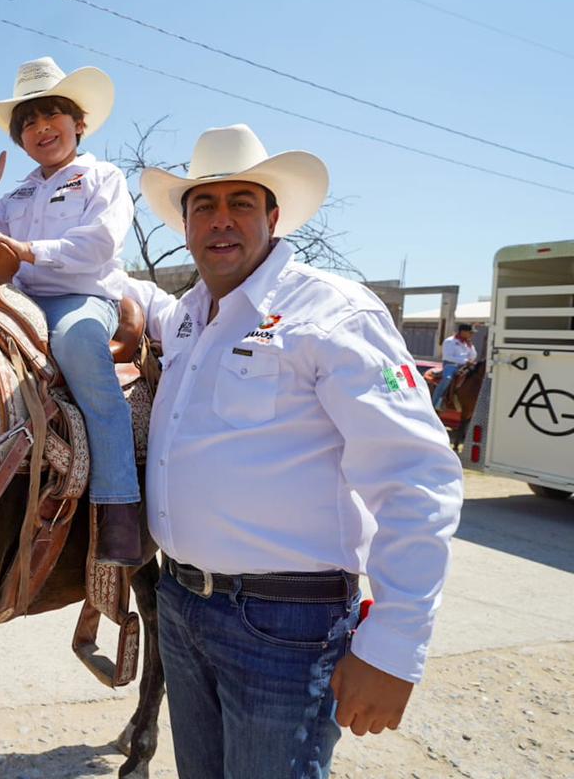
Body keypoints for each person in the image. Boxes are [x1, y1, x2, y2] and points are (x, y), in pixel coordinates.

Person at [125, 123, 464, 778]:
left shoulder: (332, 312)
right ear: (186, 224)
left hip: (285, 627)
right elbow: (136, 295)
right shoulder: (194, 315)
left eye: (240, 203)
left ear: (273, 217)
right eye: (204, 205)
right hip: (183, 606)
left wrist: (394, 644)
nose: (220, 220)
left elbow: (415, 475)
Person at [0, 56, 143, 566]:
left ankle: (119, 510)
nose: (41, 129)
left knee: (81, 345)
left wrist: (26, 251)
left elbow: (98, 245)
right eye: (29, 123)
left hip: (81, 297)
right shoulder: (16, 192)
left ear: (78, 124)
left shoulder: (103, 177)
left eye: (52, 116)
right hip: (18, 297)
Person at [432, 323, 478, 409]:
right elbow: (447, 356)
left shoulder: (467, 343)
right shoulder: (450, 341)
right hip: (451, 365)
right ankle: (434, 403)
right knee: (447, 379)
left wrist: (471, 347)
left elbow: (473, 356)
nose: (472, 335)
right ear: (462, 332)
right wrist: (465, 361)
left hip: (465, 366)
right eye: (470, 332)